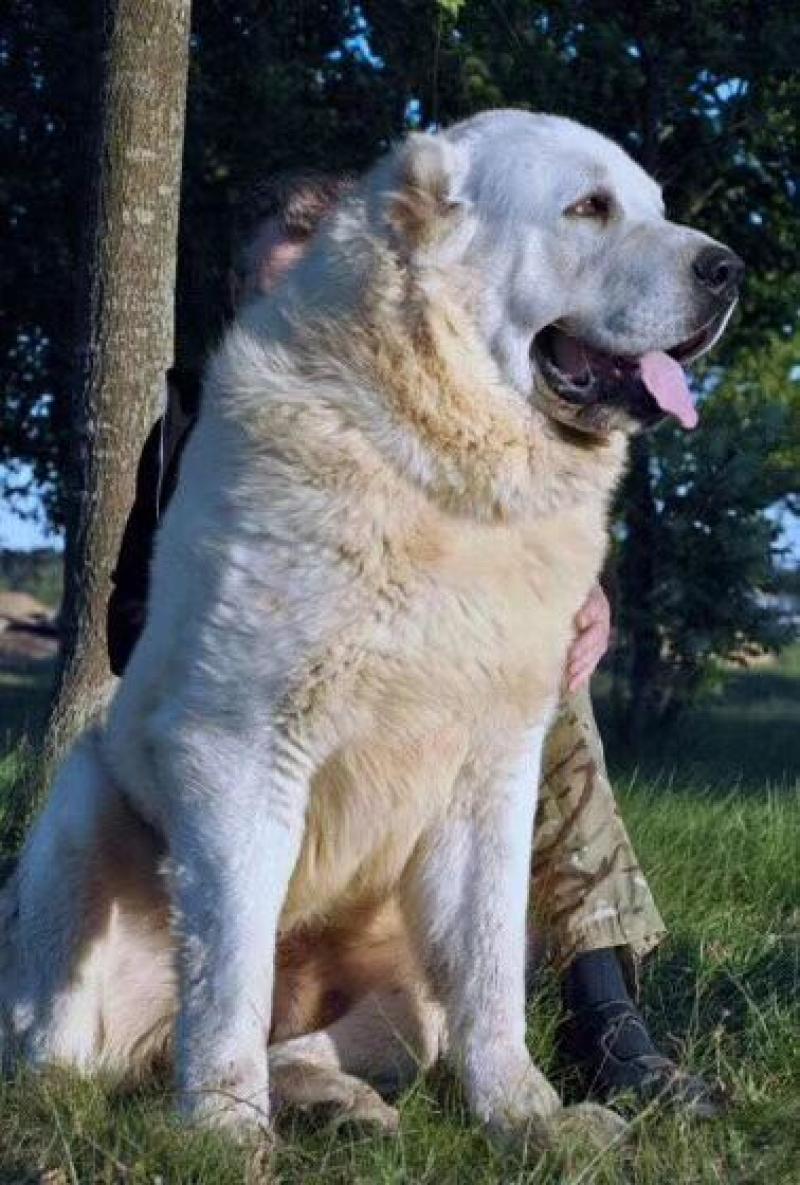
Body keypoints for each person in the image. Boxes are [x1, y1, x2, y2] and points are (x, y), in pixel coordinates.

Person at [107, 170, 720, 1116]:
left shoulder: (441, 414)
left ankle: (602, 1014)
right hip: (263, 765)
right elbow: (128, 628)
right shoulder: (195, 423)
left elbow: (513, 546)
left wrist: (571, 588)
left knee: (534, 676)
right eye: (273, 295)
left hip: (403, 784)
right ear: (241, 305)